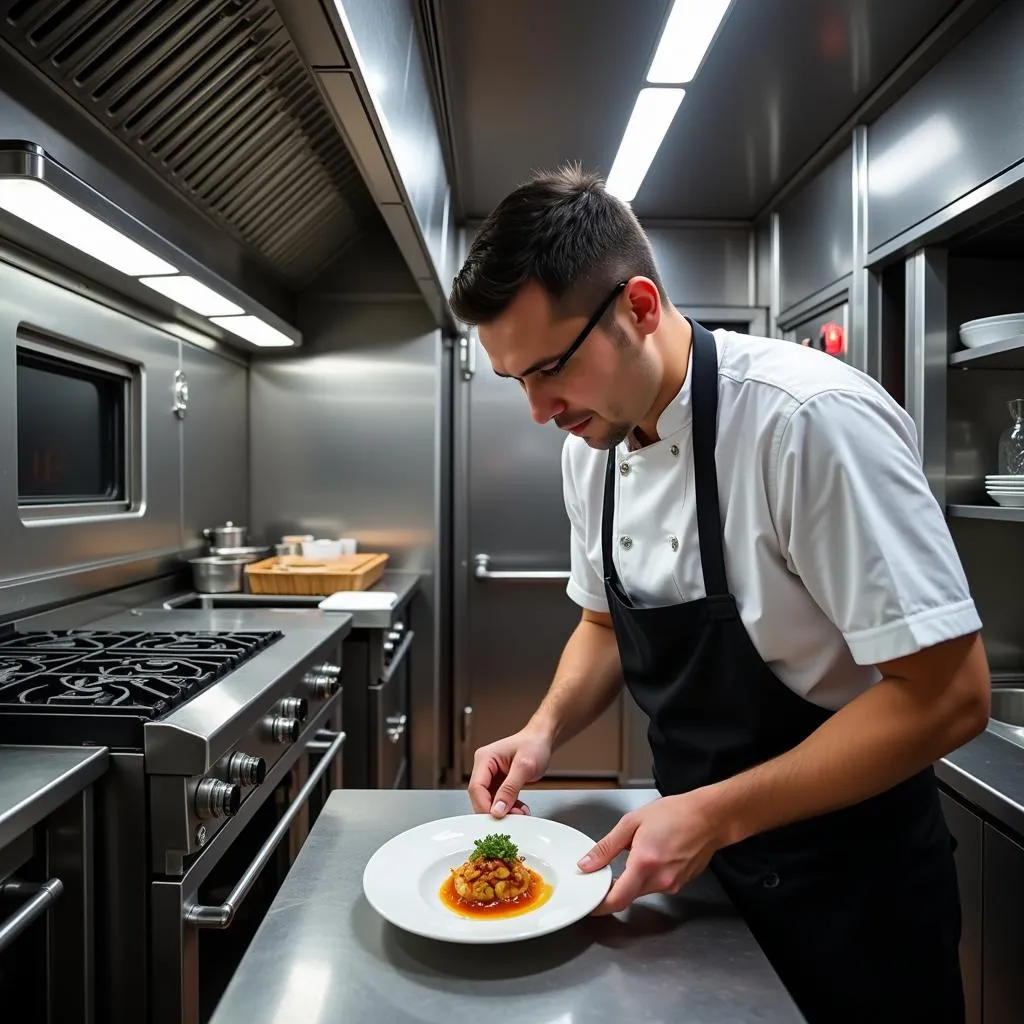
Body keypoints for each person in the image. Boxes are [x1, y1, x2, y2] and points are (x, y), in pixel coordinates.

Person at [448, 164, 991, 1024]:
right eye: (514, 379)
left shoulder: (805, 422)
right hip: (695, 875)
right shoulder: (590, 447)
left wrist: (712, 814)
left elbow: (950, 697)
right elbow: (600, 622)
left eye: (550, 368)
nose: (538, 408)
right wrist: (542, 730)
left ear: (638, 306)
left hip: (850, 895)